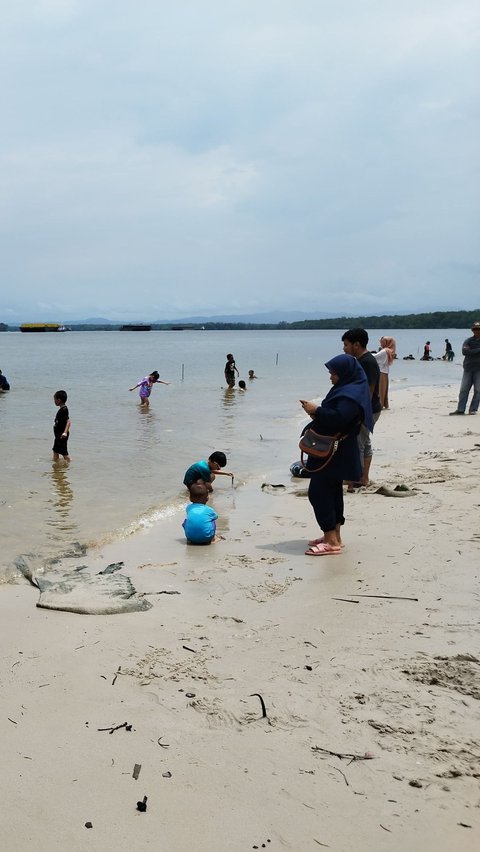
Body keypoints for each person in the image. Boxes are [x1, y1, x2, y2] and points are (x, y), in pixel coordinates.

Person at [300, 354, 373, 556]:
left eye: (333, 373)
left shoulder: (350, 393)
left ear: (344, 373)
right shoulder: (351, 388)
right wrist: (315, 413)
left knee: (318, 492)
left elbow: (340, 418)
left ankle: (331, 541)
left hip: (334, 451)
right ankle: (334, 537)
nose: (330, 376)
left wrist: (316, 410)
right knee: (332, 490)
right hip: (337, 449)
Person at [341, 328, 381, 488]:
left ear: (356, 345)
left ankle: (355, 479)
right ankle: (363, 477)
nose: (344, 348)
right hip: (368, 408)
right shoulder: (361, 360)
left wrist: (358, 413)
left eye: (346, 345)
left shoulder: (367, 362)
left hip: (368, 409)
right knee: (364, 442)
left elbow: (368, 391)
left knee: (357, 443)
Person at [449, 321, 480, 415]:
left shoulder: (469, 342)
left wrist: (472, 350)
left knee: (478, 390)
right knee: (463, 390)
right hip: (468, 368)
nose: (476, 331)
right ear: (472, 330)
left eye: (478, 329)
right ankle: (461, 409)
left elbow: (468, 351)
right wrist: (478, 350)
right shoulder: (468, 341)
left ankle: (473, 409)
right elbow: (464, 351)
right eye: (475, 329)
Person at [373, 336, 396, 410]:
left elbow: (375, 357)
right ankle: (384, 403)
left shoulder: (385, 351)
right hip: (385, 372)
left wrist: (366, 353)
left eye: (382, 342)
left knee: (380, 389)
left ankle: (379, 404)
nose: (380, 343)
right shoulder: (390, 350)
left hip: (381, 371)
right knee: (384, 389)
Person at [52, 390, 71, 461]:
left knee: (64, 453)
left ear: (59, 400)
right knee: (55, 450)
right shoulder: (62, 409)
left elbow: (68, 421)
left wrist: (65, 432)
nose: (54, 401)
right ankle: (56, 466)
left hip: (62, 435)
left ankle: (69, 463)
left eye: (55, 399)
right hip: (58, 435)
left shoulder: (64, 410)